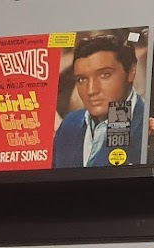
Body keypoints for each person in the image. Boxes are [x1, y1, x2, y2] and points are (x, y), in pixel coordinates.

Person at [53, 34, 145, 168]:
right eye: (81, 79)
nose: (91, 90)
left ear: (131, 72)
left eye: (104, 75)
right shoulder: (69, 124)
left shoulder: (149, 124)